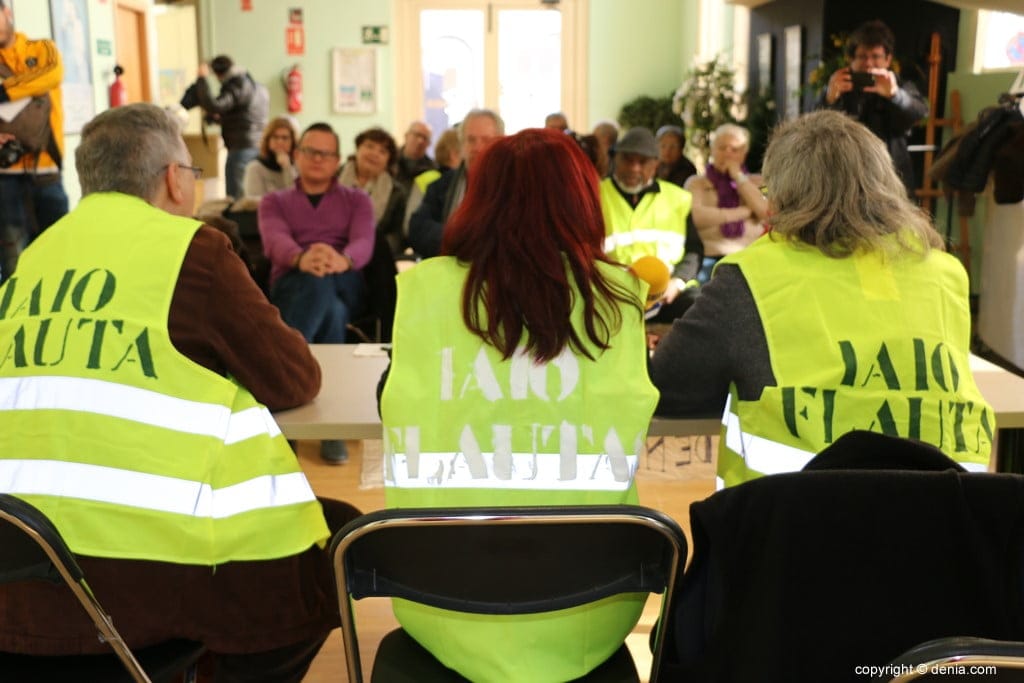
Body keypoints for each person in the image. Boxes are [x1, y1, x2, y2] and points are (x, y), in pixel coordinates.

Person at [0, 103, 359, 682]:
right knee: (325, 550)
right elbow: (294, 377)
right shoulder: (191, 250)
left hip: (16, 576)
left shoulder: (35, 255)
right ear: (173, 177)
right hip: (131, 583)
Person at [380, 127, 657, 682]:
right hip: (590, 607)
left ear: (479, 200)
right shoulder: (621, 297)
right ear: (583, 201)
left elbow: (392, 395)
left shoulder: (425, 289)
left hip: (440, 601)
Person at [650, 110, 993, 489]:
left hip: (796, 534)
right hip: (946, 528)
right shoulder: (945, 273)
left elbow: (666, 389)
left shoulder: (753, 277)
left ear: (782, 198)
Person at [600, 126, 702, 322]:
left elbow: (694, 250)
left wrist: (677, 282)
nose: (634, 168)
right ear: (615, 159)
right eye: (627, 160)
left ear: (656, 164)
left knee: (698, 305)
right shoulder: (594, 195)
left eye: (642, 161)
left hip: (667, 296)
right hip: (612, 296)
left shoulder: (678, 199)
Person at [0, 0, 69, 283]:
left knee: (62, 257)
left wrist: (5, 91)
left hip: (47, 170)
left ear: (7, 12)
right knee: (14, 264)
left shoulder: (42, 50)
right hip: (5, 177)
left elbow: (52, 74)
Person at [818, 19, 928, 196]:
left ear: (888, 59)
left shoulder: (899, 85)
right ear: (850, 59)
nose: (869, 63)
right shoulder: (837, 86)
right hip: (845, 177)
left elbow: (919, 113)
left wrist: (895, 96)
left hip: (891, 177)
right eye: (862, 56)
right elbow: (812, 126)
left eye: (876, 56)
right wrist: (829, 99)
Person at [408, 109, 504, 258]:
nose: (477, 148)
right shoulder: (442, 185)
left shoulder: (514, 186)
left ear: (500, 143)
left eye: (486, 140)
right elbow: (418, 229)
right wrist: (457, 238)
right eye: (471, 140)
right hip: (447, 271)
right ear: (461, 144)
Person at [684, 123, 770, 283]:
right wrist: (744, 212)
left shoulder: (760, 182)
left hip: (749, 256)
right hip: (708, 258)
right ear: (713, 150)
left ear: (744, 154)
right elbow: (696, 217)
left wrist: (739, 178)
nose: (728, 154)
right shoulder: (696, 183)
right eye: (722, 148)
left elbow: (767, 213)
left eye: (735, 149)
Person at [181, 54, 268, 200]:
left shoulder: (238, 84)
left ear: (218, 73)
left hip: (241, 149)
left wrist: (201, 79)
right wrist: (220, 118)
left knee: (235, 199)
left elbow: (215, 105)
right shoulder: (253, 85)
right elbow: (245, 115)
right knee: (248, 196)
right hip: (253, 145)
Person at [338, 126, 408, 257]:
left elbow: (397, 236)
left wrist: (370, 249)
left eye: (382, 151)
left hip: (374, 256)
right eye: (369, 146)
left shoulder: (397, 193)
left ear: (388, 161)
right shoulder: (333, 178)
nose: (374, 154)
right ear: (357, 149)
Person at [242, 116, 297, 198]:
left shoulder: (299, 166)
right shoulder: (255, 168)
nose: (280, 142)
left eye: (285, 138)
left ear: (292, 142)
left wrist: (287, 168)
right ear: (268, 141)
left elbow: (298, 198)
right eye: (275, 137)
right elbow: (253, 201)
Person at [394, 120, 436, 193]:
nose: (420, 141)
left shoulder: (433, 169)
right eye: (417, 135)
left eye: (425, 138)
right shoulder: (390, 161)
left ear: (429, 144)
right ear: (406, 136)